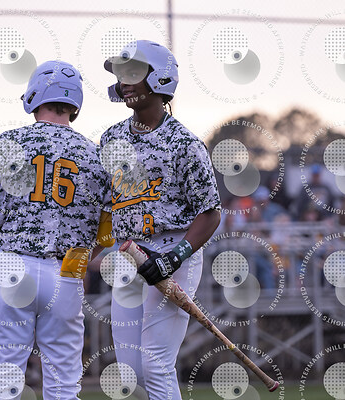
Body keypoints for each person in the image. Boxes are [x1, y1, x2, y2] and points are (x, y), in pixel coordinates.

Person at [0, 60, 113, 400]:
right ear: (74, 102)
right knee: (63, 387)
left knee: (5, 384)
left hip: (13, 268)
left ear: (34, 95)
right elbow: (108, 231)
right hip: (67, 272)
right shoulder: (94, 155)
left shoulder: (8, 142)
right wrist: (82, 259)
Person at [100, 40, 221, 400]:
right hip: (127, 256)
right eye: (122, 75)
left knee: (155, 364)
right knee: (131, 375)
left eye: (134, 73)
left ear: (160, 79)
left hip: (173, 252)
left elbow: (210, 213)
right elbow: (103, 206)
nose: (125, 82)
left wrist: (174, 258)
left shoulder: (184, 143)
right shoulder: (111, 138)